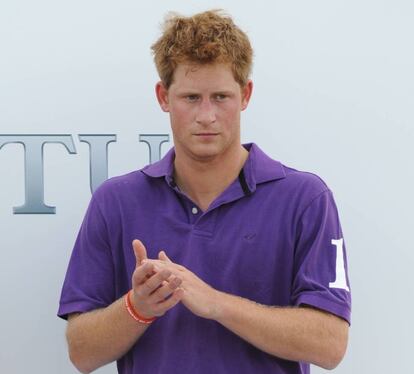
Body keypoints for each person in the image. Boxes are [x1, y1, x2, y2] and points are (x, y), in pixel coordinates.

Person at [58, 9, 351, 374]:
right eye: (192, 98)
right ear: (164, 97)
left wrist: (215, 303)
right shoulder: (115, 201)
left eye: (221, 97)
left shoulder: (306, 198)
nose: (207, 115)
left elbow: (330, 344)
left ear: (245, 94)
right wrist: (138, 307)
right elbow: (81, 353)